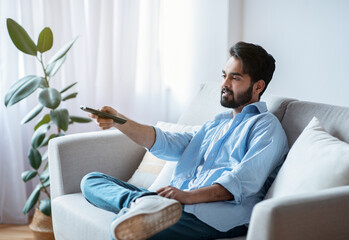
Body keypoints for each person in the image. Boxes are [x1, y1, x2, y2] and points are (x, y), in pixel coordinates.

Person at [80, 41, 289, 240]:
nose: (224, 84)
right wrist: (119, 121)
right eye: (224, 76)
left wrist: (188, 196)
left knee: (124, 228)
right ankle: (143, 204)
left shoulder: (265, 126)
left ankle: (143, 208)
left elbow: (243, 182)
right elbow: (166, 142)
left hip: (213, 217)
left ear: (258, 86)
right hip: (173, 204)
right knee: (92, 180)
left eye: (235, 78)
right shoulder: (215, 125)